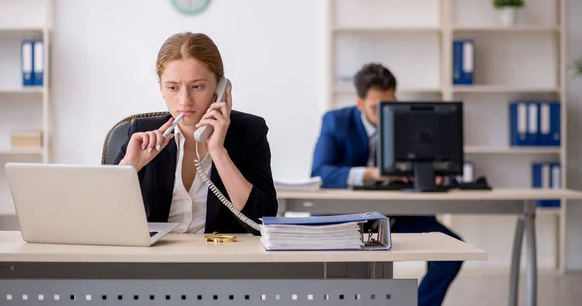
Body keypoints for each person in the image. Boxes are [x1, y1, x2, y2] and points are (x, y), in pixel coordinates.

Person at [311, 63, 462, 306]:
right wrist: (373, 174)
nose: (382, 113)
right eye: (374, 107)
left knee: (452, 253)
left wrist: (435, 175)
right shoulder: (336, 121)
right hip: (349, 219)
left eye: (388, 104)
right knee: (360, 272)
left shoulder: (409, 121)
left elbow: (444, 164)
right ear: (360, 104)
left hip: (397, 216)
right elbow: (321, 173)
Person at [114, 32, 277, 235]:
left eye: (197, 86)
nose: (185, 100)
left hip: (222, 259)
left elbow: (263, 221)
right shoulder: (140, 132)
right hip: (155, 259)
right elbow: (101, 219)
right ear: (161, 88)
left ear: (220, 88)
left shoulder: (249, 132)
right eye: (173, 87)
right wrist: (131, 165)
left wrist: (218, 152)